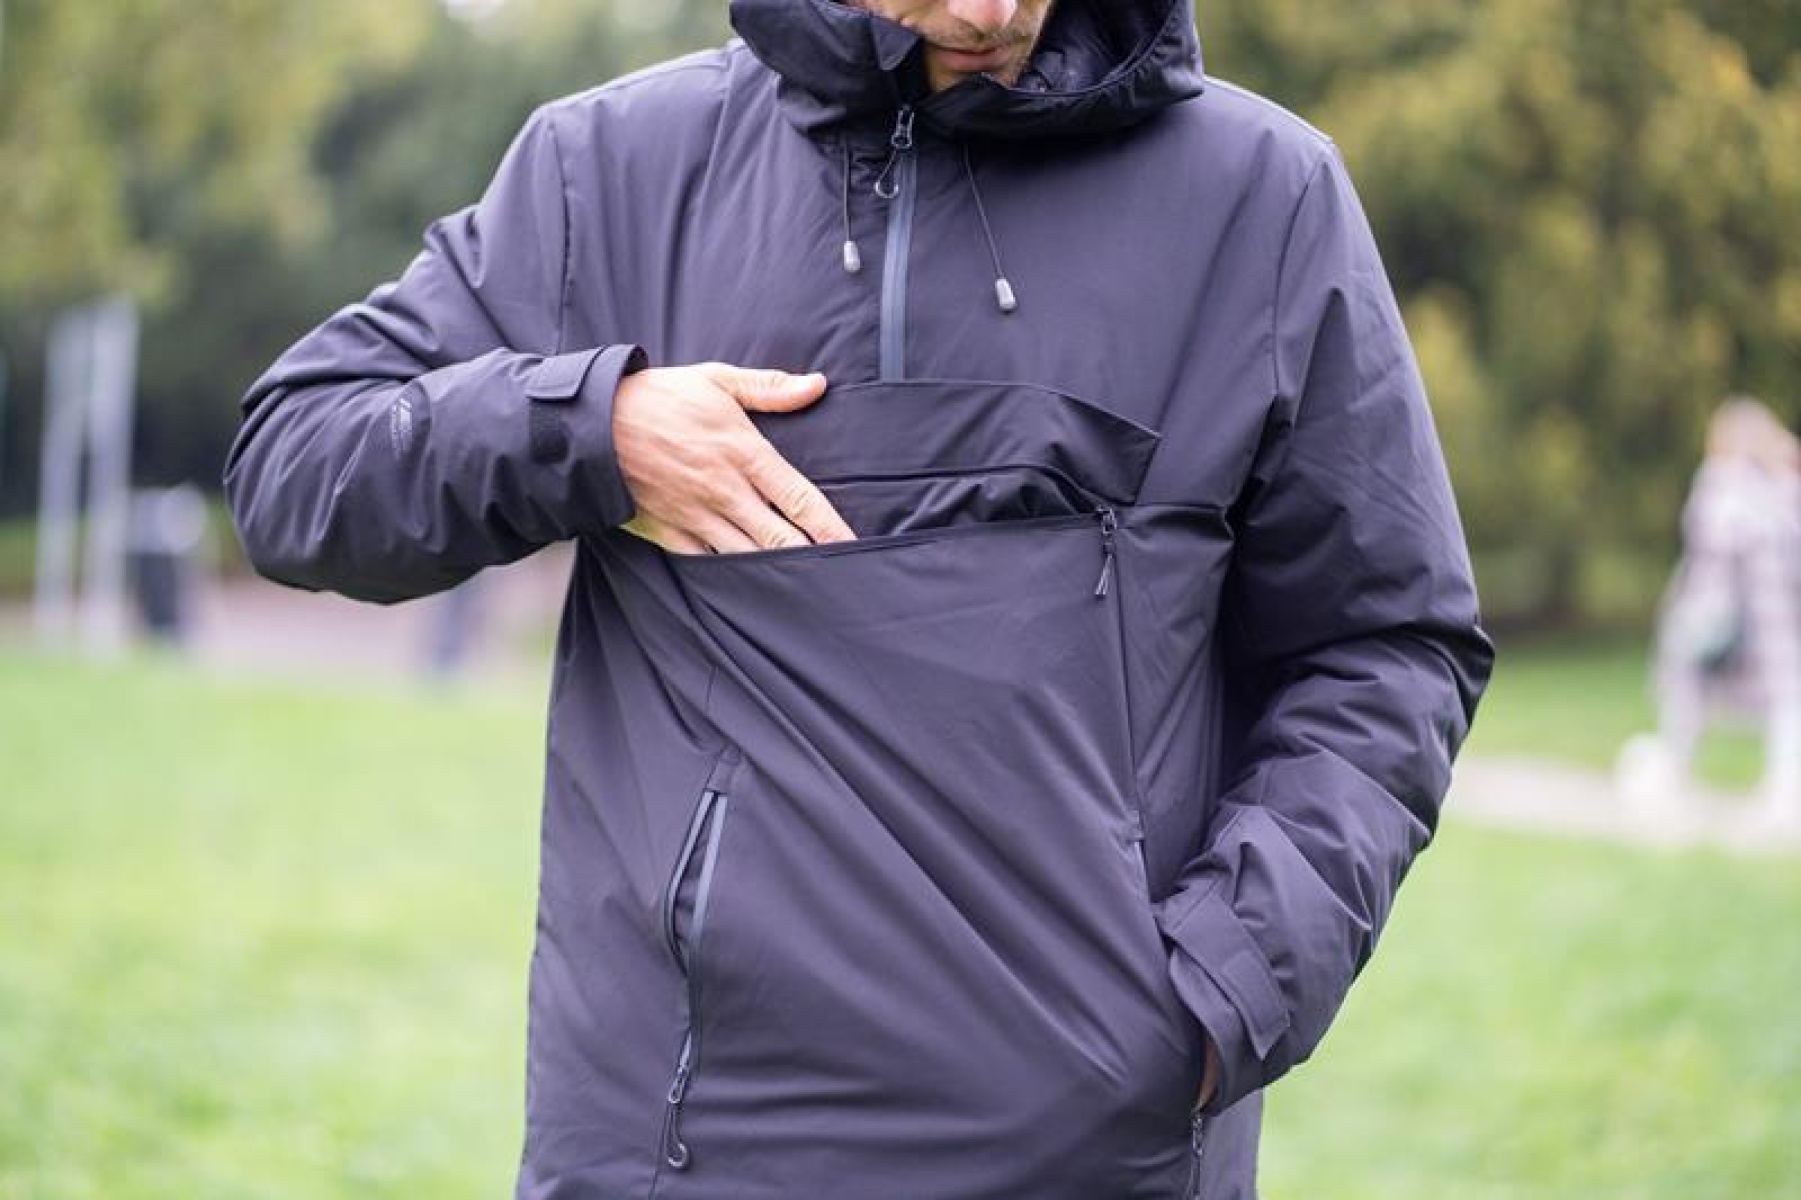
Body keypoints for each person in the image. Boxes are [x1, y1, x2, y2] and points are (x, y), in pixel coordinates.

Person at [222, 2, 1494, 1195]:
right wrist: (593, 428)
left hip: (1101, 1151)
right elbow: (294, 464)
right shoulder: (608, 172)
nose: (990, 16)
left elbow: (1388, 644)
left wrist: (1222, 995)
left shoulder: (1261, 198)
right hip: (673, 1153)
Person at [1637, 396, 1801, 829]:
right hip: (1722, 616)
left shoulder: (1774, 487)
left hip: (1770, 617)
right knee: (1690, 691)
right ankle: (1674, 770)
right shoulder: (1723, 485)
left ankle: (1785, 788)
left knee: (1785, 699)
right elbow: (1716, 535)